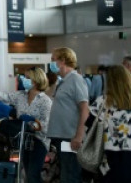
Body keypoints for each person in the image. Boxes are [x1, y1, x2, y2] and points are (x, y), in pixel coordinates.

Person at [0, 68, 52, 183]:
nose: (24, 80)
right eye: (24, 77)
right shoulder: (20, 95)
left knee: (32, 173)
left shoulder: (45, 101)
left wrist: (32, 123)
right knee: (18, 169)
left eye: (28, 78)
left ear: (36, 80)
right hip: (19, 140)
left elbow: (46, 125)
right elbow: (3, 96)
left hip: (38, 141)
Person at [46, 47, 89, 183]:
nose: (51, 63)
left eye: (53, 59)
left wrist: (79, 136)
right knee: (65, 173)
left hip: (70, 137)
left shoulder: (76, 79)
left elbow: (84, 109)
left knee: (70, 175)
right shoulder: (63, 81)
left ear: (63, 60)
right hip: (62, 137)